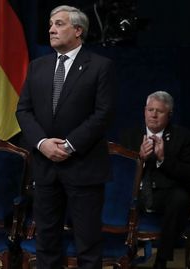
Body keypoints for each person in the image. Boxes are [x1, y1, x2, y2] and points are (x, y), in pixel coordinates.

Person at [16, 5, 116, 269]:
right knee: (46, 241)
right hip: (45, 166)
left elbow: (103, 114)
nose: (51, 29)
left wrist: (70, 145)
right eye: (50, 24)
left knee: (88, 243)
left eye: (59, 24)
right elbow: (23, 110)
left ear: (78, 30)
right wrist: (42, 143)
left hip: (84, 167)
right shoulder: (37, 66)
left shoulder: (100, 66)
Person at [120, 91, 190, 269]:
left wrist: (163, 159)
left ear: (169, 115)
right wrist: (139, 160)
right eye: (150, 110)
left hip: (166, 195)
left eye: (159, 111)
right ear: (144, 111)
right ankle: (121, 254)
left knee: (180, 199)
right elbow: (120, 172)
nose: (153, 115)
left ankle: (161, 260)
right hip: (136, 193)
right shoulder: (129, 135)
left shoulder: (184, 137)